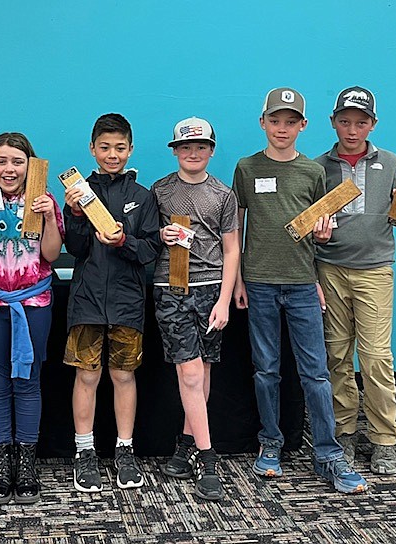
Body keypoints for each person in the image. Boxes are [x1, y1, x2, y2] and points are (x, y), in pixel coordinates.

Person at [232, 88, 368, 494]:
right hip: (258, 283)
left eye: (291, 122)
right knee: (266, 369)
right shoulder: (246, 167)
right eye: (275, 121)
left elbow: (320, 231)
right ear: (263, 123)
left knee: (316, 373)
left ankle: (328, 454)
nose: (282, 128)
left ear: (303, 126)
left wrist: (322, 242)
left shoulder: (312, 172)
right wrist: (237, 279)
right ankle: (270, 442)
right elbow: (235, 228)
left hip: (302, 286)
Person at [314, 86, 396, 475]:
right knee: (337, 356)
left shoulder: (393, 163)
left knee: (377, 357)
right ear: (333, 122)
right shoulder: (318, 168)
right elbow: (310, 226)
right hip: (329, 269)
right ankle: (343, 431)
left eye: (361, 122)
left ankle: (383, 437)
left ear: (372, 125)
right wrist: (317, 235)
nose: (352, 129)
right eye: (344, 121)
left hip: (375, 269)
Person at [0, 133, 64, 504]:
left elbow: (51, 254)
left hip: (33, 302)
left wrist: (50, 217)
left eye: (17, 161)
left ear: (30, 165)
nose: (9, 169)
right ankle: (1, 459)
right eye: (1, 161)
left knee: (28, 380)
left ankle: (26, 460)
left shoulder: (43, 199)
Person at [63, 113, 160, 493]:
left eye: (120, 148)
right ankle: (84, 451)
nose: (112, 154)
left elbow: (151, 250)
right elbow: (74, 249)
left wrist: (124, 243)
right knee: (86, 375)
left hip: (127, 301)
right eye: (105, 147)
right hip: (87, 300)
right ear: (92, 149)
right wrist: (75, 215)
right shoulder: (80, 193)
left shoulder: (143, 197)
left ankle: (124, 448)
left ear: (131, 149)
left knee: (123, 375)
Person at [151, 117, 239, 501]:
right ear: (175, 151)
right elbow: (143, 238)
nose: (193, 153)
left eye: (200, 146)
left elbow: (232, 249)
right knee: (188, 374)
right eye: (185, 147)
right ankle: (208, 457)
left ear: (211, 150)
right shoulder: (159, 191)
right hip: (170, 288)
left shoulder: (223, 195)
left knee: (201, 375)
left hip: (210, 291)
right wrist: (159, 234)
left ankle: (184, 447)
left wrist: (224, 299)